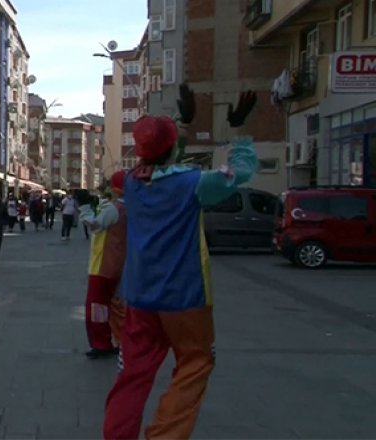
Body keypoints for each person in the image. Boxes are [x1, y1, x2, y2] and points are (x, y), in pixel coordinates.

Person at [103, 85, 258, 440]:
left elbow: (163, 162)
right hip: (185, 298)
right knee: (195, 363)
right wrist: (238, 131)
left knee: (132, 376)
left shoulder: (129, 183)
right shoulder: (194, 185)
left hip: (139, 297)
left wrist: (181, 127)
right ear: (172, 148)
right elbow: (241, 172)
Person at [82, 170, 127, 359]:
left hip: (103, 264)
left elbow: (95, 225)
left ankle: (102, 343)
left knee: (96, 306)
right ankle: (117, 339)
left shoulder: (113, 209)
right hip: (117, 262)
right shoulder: (128, 208)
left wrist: (85, 210)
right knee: (111, 305)